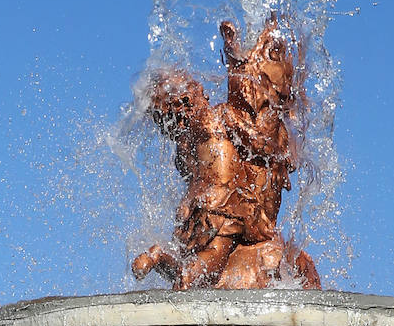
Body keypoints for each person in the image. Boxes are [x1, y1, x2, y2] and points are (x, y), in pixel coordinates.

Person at [131, 17, 321, 290]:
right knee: (210, 263)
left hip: (206, 209)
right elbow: (248, 118)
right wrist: (236, 62)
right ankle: (170, 266)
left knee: (200, 264)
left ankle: (167, 263)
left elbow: (194, 179)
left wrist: (234, 55)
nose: (203, 94)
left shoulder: (187, 144)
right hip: (225, 210)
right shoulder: (218, 118)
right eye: (195, 92)